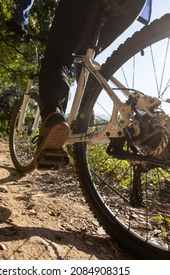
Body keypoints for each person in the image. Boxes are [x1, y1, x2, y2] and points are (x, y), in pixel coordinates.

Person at [34, 0, 152, 168]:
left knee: (58, 57)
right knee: (84, 59)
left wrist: (20, 19)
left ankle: (53, 117)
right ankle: (83, 128)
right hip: (133, 6)